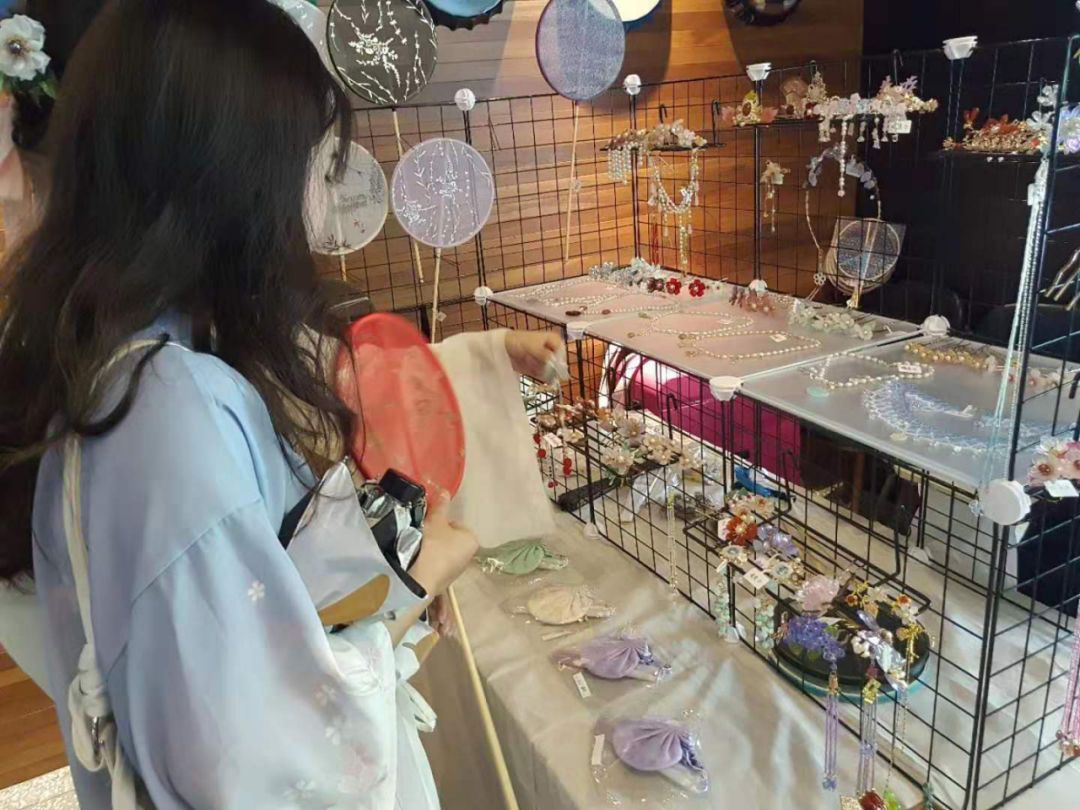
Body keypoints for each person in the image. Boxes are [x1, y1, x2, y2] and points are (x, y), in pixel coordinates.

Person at [0, 1, 561, 808]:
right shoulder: (168, 410)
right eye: (317, 166)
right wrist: (415, 580)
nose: (324, 206)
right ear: (236, 177)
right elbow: (265, 758)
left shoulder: (136, 355)